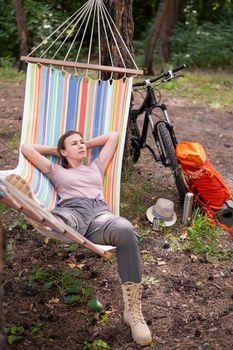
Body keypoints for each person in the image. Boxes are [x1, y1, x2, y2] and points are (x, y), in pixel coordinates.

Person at [20, 130, 152, 346]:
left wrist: (82, 146)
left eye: (82, 142)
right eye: (75, 143)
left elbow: (113, 136)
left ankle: (133, 312)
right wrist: (58, 152)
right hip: (72, 211)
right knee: (58, 220)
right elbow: (27, 148)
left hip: (100, 215)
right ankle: (39, 215)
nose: (81, 145)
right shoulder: (55, 170)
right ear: (63, 151)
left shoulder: (96, 167)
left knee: (125, 229)